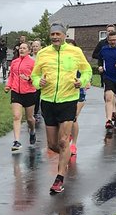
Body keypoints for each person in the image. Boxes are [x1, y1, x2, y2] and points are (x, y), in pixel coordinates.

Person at [31, 23, 92, 195]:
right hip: (48, 101)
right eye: (53, 34)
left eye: (58, 34)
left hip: (68, 99)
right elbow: (35, 75)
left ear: (64, 35)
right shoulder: (43, 54)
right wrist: (38, 82)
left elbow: (87, 70)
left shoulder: (75, 52)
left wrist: (82, 81)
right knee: (53, 144)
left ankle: (59, 178)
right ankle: (65, 158)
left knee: (64, 141)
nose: (55, 37)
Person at [5, 40, 37, 153]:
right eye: (20, 48)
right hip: (16, 92)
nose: (21, 50)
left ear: (29, 51)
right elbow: (11, 76)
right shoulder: (14, 62)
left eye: (24, 48)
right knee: (16, 116)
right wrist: (8, 86)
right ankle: (16, 141)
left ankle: (32, 131)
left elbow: (37, 77)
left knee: (29, 119)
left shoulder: (33, 63)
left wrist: (29, 79)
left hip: (29, 92)